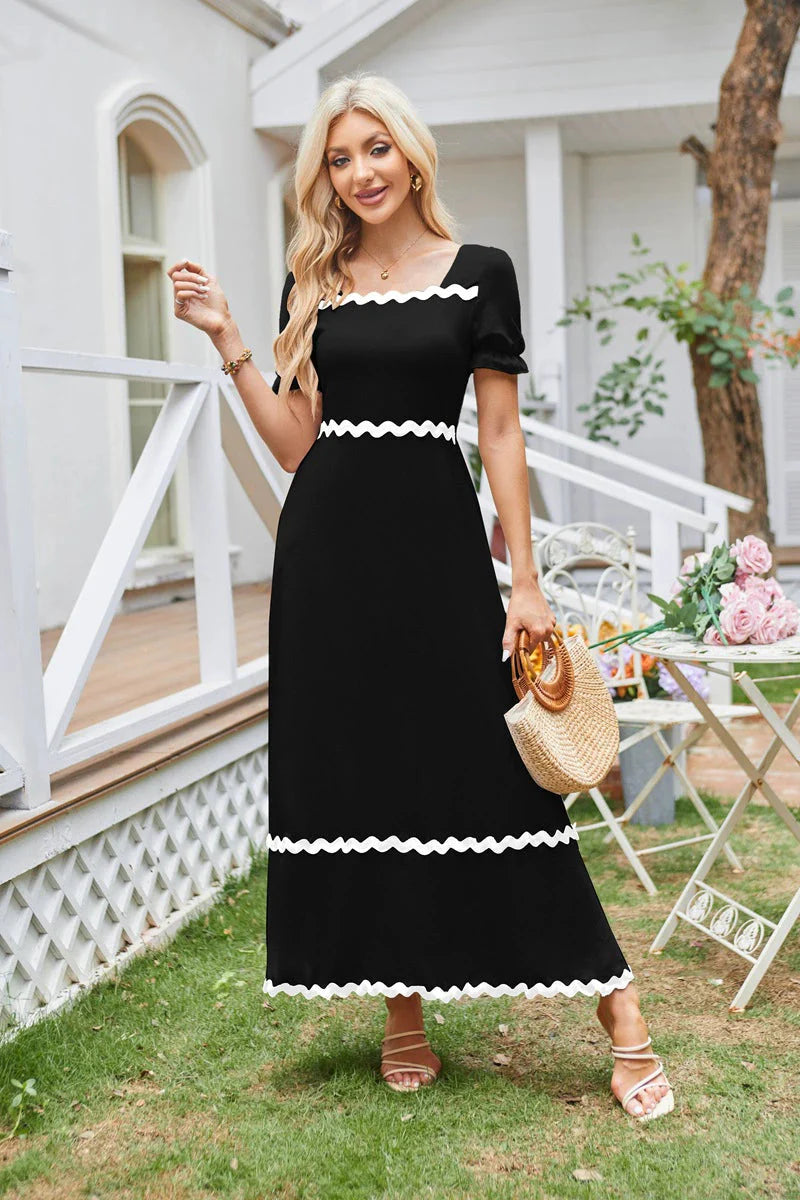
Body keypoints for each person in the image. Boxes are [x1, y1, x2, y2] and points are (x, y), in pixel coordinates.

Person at [167, 71, 674, 1121]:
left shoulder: (478, 272)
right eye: (339, 158)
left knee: (493, 774)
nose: (360, 173)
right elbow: (297, 445)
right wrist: (227, 342)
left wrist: (524, 582)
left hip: (438, 556)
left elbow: (500, 434)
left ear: (410, 154)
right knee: (363, 775)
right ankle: (403, 1012)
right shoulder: (315, 282)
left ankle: (619, 1008)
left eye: (375, 149)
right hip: (329, 564)